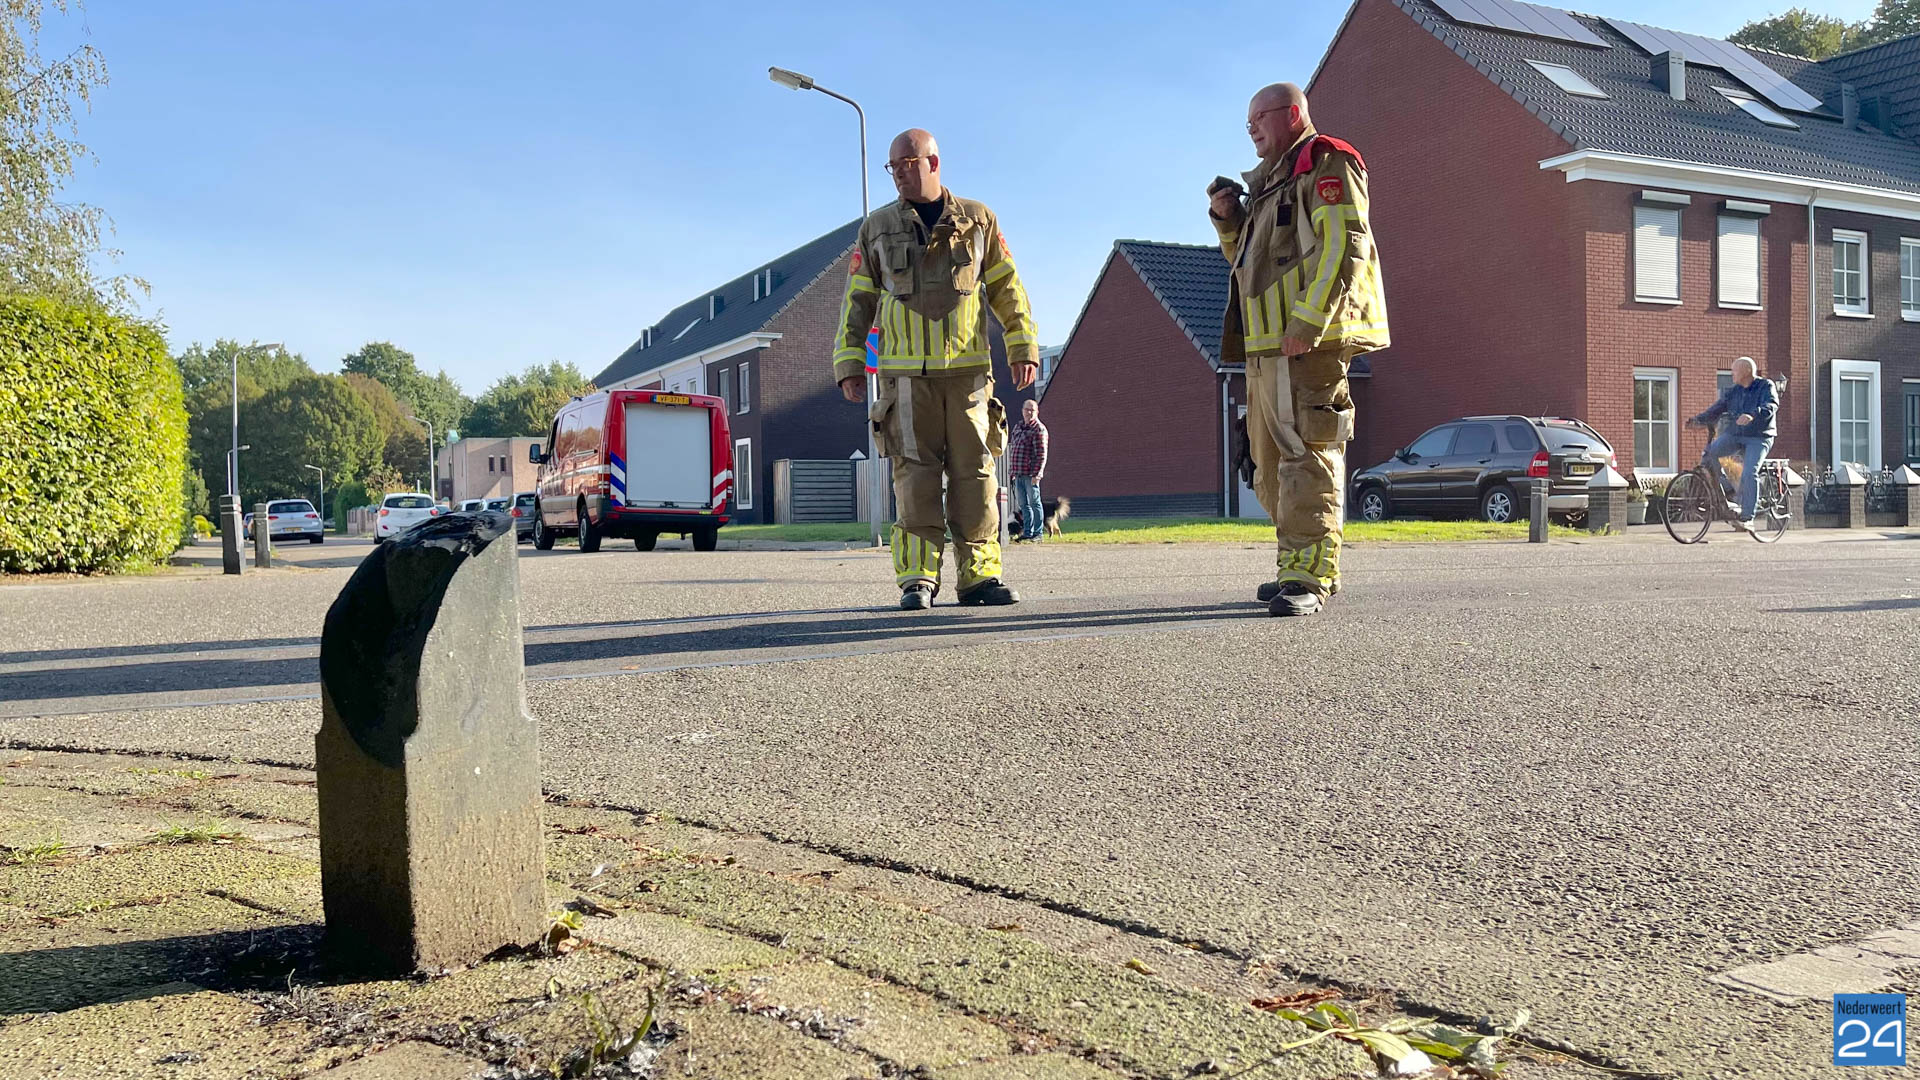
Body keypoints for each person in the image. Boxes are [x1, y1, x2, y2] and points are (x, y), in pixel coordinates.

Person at [833, 129, 1040, 610]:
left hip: (968, 378)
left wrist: (1022, 344)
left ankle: (980, 577)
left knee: (977, 476)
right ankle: (918, 579)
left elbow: (1007, 286)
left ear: (933, 162)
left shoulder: (978, 219)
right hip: (905, 382)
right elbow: (857, 299)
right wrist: (848, 361)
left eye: (907, 162)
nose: (899, 174)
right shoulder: (877, 228)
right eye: (893, 166)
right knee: (914, 479)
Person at [1208, 83, 1389, 616]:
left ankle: (1309, 575)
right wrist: (1229, 220)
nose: (1251, 129)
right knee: (1268, 469)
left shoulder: (1326, 162)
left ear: (1292, 115)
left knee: (1307, 458)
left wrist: (1309, 322)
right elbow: (1249, 262)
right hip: (1266, 349)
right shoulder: (1271, 184)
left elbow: (1344, 246)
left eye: (1259, 118)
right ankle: (1296, 563)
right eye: (1247, 122)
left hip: (1308, 345)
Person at [1688, 356, 1777, 532]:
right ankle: (1726, 492)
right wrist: (1698, 420)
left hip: (1759, 437)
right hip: (1737, 434)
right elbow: (1717, 408)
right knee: (1711, 452)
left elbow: (1771, 405)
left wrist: (1753, 414)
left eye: (1734, 370)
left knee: (1750, 472)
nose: (1732, 374)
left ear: (1746, 371)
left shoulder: (1766, 386)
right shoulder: (1734, 391)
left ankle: (1748, 517)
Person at [1008, 399, 1049, 541]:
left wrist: (1037, 474)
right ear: (1022, 411)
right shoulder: (1018, 427)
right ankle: (1027, 532)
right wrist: (1012, 471)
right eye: (1027, 409)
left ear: (1037, 412)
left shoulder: (1039, 429)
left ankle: (1038, 533)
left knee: (1034, 503)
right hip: (1018, 473)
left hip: (1031, 474)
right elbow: (1014, 449)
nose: (1029, 412)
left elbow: (1041, 455)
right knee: (1023, 505)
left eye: (1032, 410)